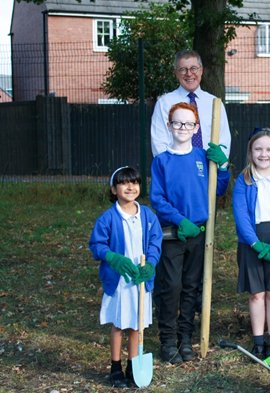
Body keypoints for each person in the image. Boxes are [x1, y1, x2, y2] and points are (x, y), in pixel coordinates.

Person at [150, 102, 230, 364]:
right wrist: (179, 220)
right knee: (171, 286)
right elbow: (158, 199)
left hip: (199, 236)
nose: (182, 127)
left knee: (191, 287)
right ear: (169, 126)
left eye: (188, 123)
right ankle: (168, 340)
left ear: (196, 127)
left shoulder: (202, 158)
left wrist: (224, 167)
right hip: (174, 235)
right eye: (177, 123)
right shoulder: (161, 161)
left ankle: (185, 338)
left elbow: (217, 190)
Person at [89, 167, 163, 387]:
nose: (130, 187)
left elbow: (155, 242)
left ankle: (133, 365)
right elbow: (97, 245)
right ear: (114, 189)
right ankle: (115, 368)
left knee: (136, 324)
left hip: (139, 282)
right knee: (119, 325)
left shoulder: (148, 215)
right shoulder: (108, 218)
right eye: (124, 183)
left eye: (135, 182)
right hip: (120, 282)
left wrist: (150, 263)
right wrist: (113, 258)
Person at [232, 127, 270, 359]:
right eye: (258, 149)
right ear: (251, 152)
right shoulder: (243, 180)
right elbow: (241, 216)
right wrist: (256, 244)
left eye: (269, 149)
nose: (263, 154)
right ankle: (258, 341)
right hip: (252, 241)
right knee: (256, 293)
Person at [150, 50, 231, 158]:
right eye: (183, 69)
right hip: (176, 169)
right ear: (176, 73)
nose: (189, 73)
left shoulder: (214, 103)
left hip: (208, 170)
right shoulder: (164, 103)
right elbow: (159, 144)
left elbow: (224, 140)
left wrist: (218, 166)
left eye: (193, 68)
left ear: (201, 70)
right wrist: (172, 169)